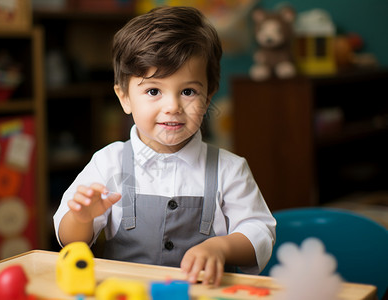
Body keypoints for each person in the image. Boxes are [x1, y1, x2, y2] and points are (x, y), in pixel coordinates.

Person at [53, 6, 276, 287]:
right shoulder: (107, 162)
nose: (172, 107)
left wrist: (221, 247)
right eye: (153, 91)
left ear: (208, 98)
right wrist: (81, 217)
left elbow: (260, 231)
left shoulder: (229, 169)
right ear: (124, 98)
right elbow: (70, 239)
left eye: (188, 92)